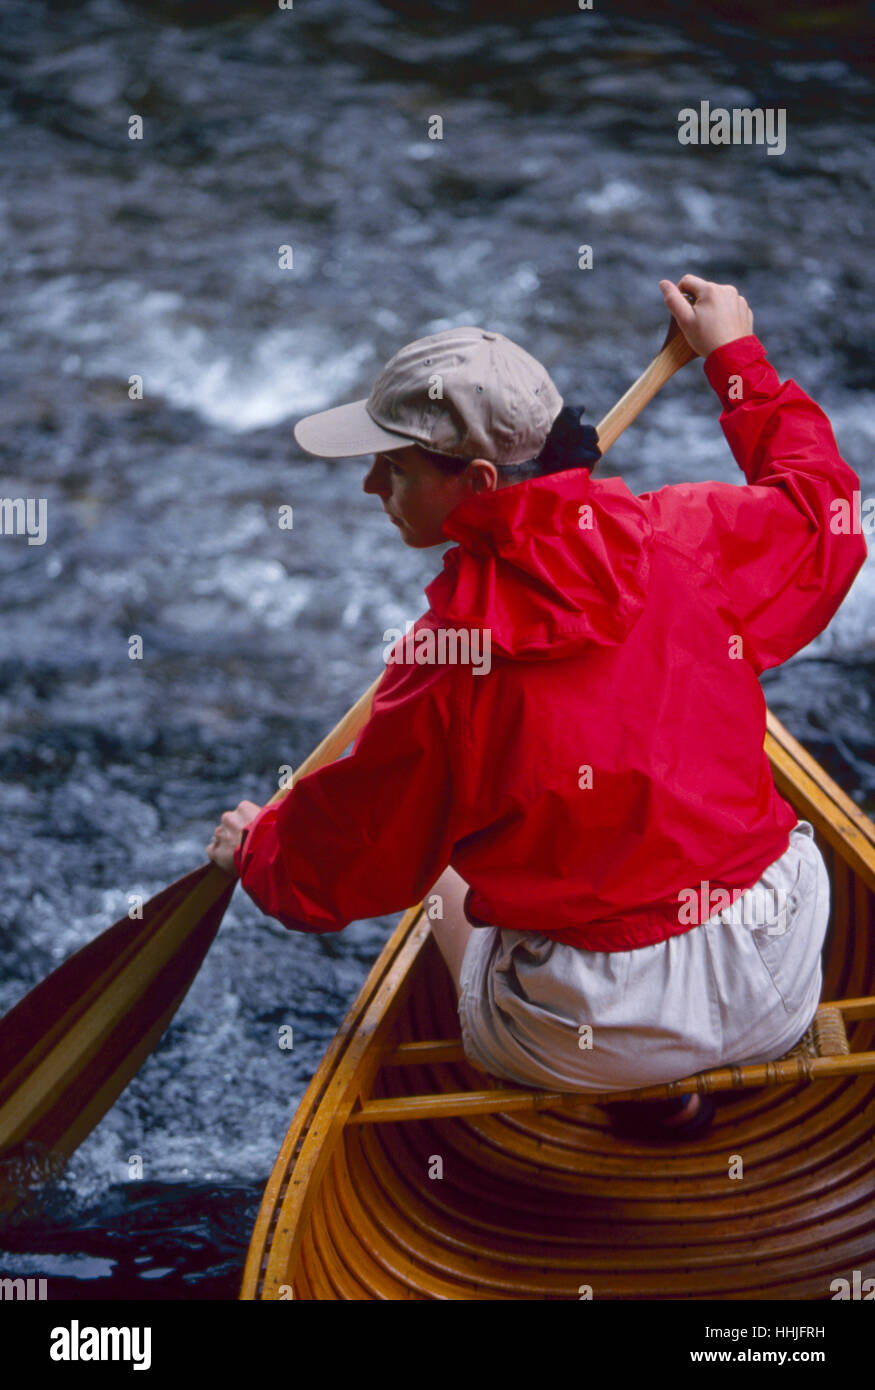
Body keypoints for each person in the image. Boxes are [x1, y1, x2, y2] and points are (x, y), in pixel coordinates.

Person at [207, 275, 867, 1138]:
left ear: (479, 480)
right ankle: (682, 1076)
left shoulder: (442, 668)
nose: (371, 486)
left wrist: (258, 849)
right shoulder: (686, 534)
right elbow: (830, 517)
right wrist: (734, 362)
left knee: (434, 869)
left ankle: (647, 1078)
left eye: (394, 466)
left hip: (591, 1034)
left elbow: (335, 874)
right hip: (774, 971)